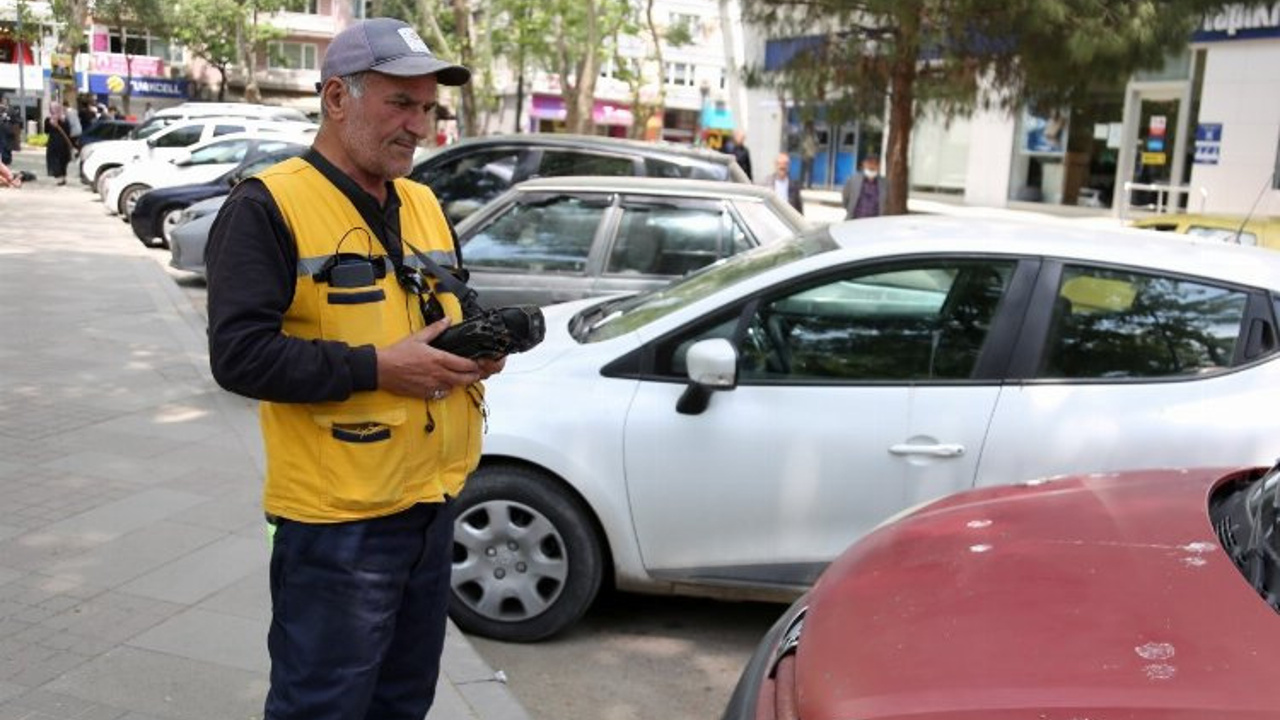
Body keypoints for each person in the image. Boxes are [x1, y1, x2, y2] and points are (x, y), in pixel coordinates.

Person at [204, 17, 501, 720]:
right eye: (401, 103)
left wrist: (480, 347)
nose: (419, 126)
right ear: (338, 98)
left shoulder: (423, 201)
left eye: (428, 108)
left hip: (430, 505)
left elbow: (453, 305)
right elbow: (238, 355)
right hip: (337, 527)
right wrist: (377, 369)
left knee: (402, 703)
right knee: (323, 707)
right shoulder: (265, 205)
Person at [842, 154, 886, 219]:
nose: (872, 166)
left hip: (875, 222)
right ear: (863, 164)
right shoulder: (853, 180)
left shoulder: (884, 183)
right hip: (855, 220)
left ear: (878, 166)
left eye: (875, 163)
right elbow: (845, 199)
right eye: (869, 163)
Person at [43, 102, 73, 186]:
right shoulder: (64, 119)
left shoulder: (48, 120)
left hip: (53, 142)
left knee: (55, 160)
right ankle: (63, 177)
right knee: (63, 160)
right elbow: (69, 131)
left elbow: (46, 131)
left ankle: (59, 178)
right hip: (64, 142)